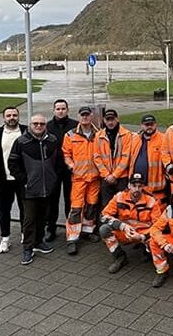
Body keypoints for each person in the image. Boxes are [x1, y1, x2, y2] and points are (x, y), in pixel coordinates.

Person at [8, 114, 62, 265]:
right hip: (29, 190)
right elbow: (12, 164)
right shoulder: (21, 142)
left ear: (46, 125)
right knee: (29, 219)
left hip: (47, 189)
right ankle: (27, 248)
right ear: (30, 125)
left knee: (42, 218)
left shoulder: (52, 140)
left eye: (42, 124)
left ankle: (39, 242)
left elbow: (59, 161)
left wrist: (53, 179)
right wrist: (24, 181)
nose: (39, 126)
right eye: (35, 123)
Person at [99, 173, 162, 274]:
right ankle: (120, 257)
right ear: (129, 186)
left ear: (144, 187)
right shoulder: (119, 197)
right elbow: (103, 216)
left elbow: (158, 226)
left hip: (144, 234)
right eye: (134, 186)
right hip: (126, 232)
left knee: (158, 238)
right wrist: (122, 226)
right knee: (104, 229)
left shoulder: (151, 201)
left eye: (140, 186)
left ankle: (146, 250)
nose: (136, 189)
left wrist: (142, 236)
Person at [0, 106, 27, 253]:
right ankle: (5, 239)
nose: (12, 118)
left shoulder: (27, 131)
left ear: (18, 116)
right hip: (3, 180)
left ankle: (25, 234)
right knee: (4, 210)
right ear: (4, 118)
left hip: (22, 179)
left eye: (14, 115)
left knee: (25, 209)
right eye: (8, 115)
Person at [63, 105, 101, 255]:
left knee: (92, 206)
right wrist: (72, 166)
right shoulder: (70, 135)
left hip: (95, 178)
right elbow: (66, 154)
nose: (85, 117)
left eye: (87, 115)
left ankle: (88, 230)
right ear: (78, 117)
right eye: (82, 115)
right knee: (76, 208)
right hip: (79, 178)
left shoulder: (99, 134)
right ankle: (72, 238)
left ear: (91, 116)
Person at [44, 99, 77, 242]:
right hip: (53, 170)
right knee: (52, 202)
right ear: (53, 110)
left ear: (67, 110)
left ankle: (71, 231)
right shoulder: (47, 127)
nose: (61, 111)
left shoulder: (75, 126)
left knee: (71, 202)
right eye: (58, 109)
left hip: (71, 170)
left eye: (63, 108)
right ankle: (51, 229)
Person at [94, 109, 132, 207]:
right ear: (104, 120)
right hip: (106, 178)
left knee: (122, 205)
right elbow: (97, 157)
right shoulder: (99, 136)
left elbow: (126, 157)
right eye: (108, 120)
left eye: (112, 119)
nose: (110, 122)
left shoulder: (126, 135)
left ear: (117, 119)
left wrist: (115, 175)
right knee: (106, 206)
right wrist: (107, 175)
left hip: (121, 178)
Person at [128, 114, 168, 209]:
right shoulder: (135, 139)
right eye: (146, 124)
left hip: (156, 189)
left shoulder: (163, 139)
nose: (149, 127)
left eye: (151, 124)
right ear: (142, 126)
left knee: (157, 218)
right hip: (138, 187)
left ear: (156, 125)